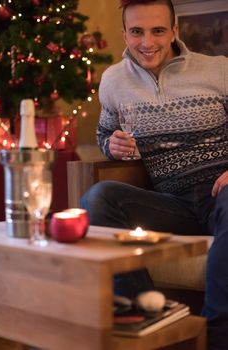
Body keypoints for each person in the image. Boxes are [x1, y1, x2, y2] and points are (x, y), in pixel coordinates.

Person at [81, 0, 228, 348]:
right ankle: (151, 319)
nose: (147, 42)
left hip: (221, 194)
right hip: (170, 201)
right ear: (125, 34)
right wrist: (111, 145)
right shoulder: (114, 80)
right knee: (97, 198)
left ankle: (215, 334)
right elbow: (105, 135)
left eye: (158, 30)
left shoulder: (219, 70)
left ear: (175, 31)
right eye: (137, 32)